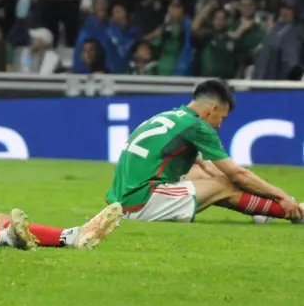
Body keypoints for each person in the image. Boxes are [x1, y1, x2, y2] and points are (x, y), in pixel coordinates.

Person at [106, 79, 303, 222]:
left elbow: (207, 167)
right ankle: (292, 212)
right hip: (140, 203)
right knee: (224, 186)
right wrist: (281, 196)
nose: (219, 125)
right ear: (211, 110)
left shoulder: (172, 116)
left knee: (203, 173)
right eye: (222, 118)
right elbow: (236, 174)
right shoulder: (197, 127)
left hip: (118, 203)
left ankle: (265, 211)